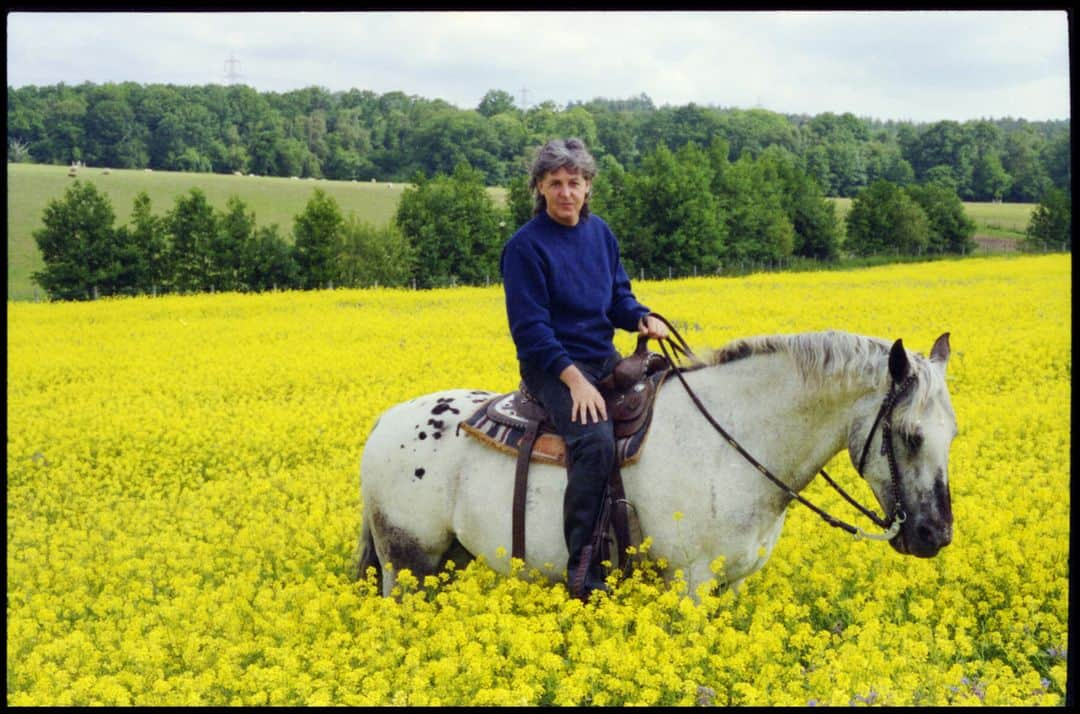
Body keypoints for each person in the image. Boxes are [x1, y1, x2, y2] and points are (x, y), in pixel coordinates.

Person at [499, 138, 668, 602]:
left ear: (588, 186)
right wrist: (574, 382)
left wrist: (640, 318)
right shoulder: (524, 248)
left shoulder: (601, 234)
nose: (566, 192)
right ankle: (584, 572)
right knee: (593, 439)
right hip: (551, 367)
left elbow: (618, 298)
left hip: (601, 356)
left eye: (575, 182)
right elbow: (531, 330)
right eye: (555, 183)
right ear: (539, 187)